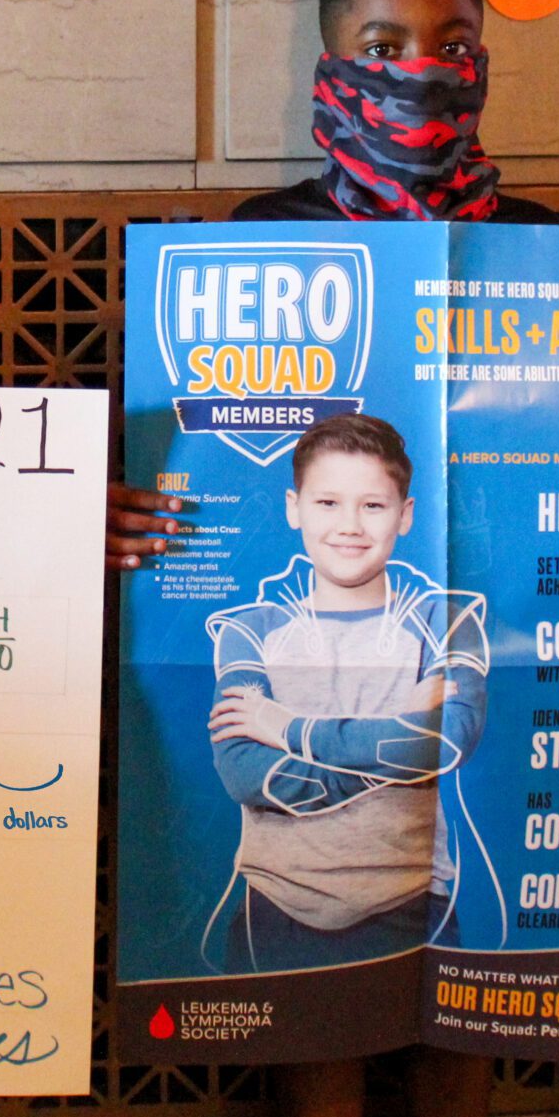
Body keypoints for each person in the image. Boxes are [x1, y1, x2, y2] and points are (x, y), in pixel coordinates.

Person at [112, 0, 559, 1117]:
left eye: (452, 40)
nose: (420, 67)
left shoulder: (558, 254)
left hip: (468, 814)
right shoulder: (253, 246)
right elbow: (247, 757)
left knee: (465, 1041)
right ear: (328, 62)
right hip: (294, 887)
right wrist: (120, 516)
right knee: (313, 1059)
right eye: (381, 44)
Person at [205, 414, 491, 975]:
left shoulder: (448, 621)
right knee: (317, 1067)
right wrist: (397, 734)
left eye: (374, 506)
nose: (350, 525)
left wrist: (288, 729)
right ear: (295, 509)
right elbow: (246, 776)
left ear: (405, 516)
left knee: (453, 1064)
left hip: (415, 906)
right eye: (328, 503)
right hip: (276, 912)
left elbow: (447, 745)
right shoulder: (249, 629)